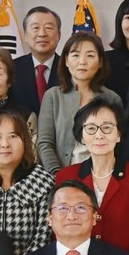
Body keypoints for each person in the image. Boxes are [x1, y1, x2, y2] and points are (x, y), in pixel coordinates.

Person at [53, 100, 129, 255]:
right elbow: (58, 232)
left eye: (107, 127)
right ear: (81, 136)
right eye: (91, 128)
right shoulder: (66, 177)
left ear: (118, 134)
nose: (99, 135)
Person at [0, 110, 55, 255]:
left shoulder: (43, 182)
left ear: (25, 141)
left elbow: (43, 236)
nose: (5, 144)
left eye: (13, 136)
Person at [36, 30, 121, 172]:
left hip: (102, 174)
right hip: (61, 176)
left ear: (100, 62)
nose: (82, 62)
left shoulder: (112, 98)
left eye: (90, 55)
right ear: (66, 60)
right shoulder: (52, 96)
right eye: (75, 55)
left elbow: (118, 143)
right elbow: (45, 143)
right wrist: (58, 175)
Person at [9, 6, 62, 116]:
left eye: (48, 28)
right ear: (25, 36)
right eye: (35, 28)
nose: (42, 34)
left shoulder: (70, 69)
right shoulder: (11, 68)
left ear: (59, 35)